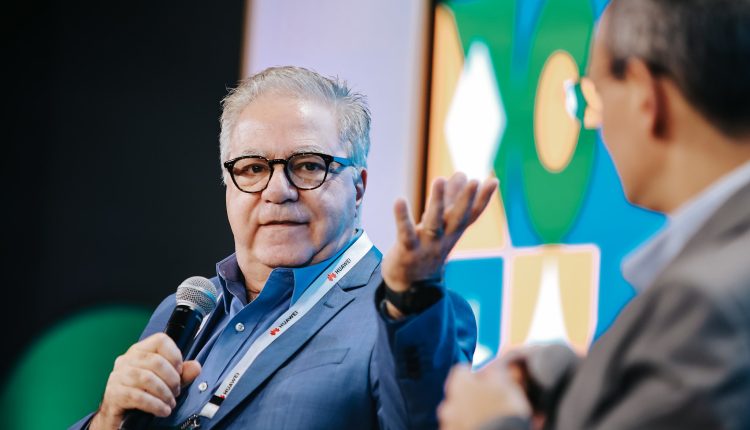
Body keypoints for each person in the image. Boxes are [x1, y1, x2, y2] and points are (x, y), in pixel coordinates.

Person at [71, 66, 498, 430]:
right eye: (253, 168)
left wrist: (411, 298)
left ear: (358, 187)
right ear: (228, 185)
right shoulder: (182, 314)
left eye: (308, 166)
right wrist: (107, 419)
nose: (278, 191)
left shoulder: (412, 319)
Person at [437, 0, 750, 429]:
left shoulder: (703, 305)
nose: (597, 126)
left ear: (644, 95)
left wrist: (490, 421)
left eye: (595, 95)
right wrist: (577, 386)